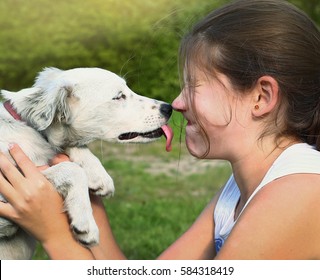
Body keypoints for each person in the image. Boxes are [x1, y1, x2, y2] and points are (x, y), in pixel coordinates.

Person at [1, 0, 320, 260]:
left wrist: (54, 234)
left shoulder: (301, 193)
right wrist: (77, 177)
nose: (177, 102)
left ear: (261, 97)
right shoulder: (237, 191)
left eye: (193, 86)